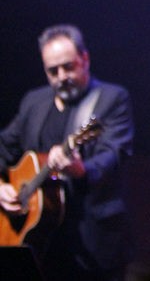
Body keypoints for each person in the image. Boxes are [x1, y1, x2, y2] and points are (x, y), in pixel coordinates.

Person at [0, 24, 134, 281]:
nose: (61, 76)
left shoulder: (111, 99)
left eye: (68, 66)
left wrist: (82, 170)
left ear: (85, 59)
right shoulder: (34, 101)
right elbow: (4, 146)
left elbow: (114, 154)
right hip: (39, 246)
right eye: (53, 71)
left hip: (93, 246)